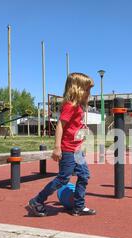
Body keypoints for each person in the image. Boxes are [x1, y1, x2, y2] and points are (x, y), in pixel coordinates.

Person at [28, 73, 96, 217]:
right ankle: (37, 200)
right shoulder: (70, 106)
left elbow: (74, 126)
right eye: (87, 90)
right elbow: (60, 125)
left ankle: (79, 206)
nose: (89, 93)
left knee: (84, 175)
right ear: (78, 89)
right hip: (68, 149)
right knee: (63, 178)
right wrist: (57, 147)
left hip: (77, 149)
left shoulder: (78, 106)